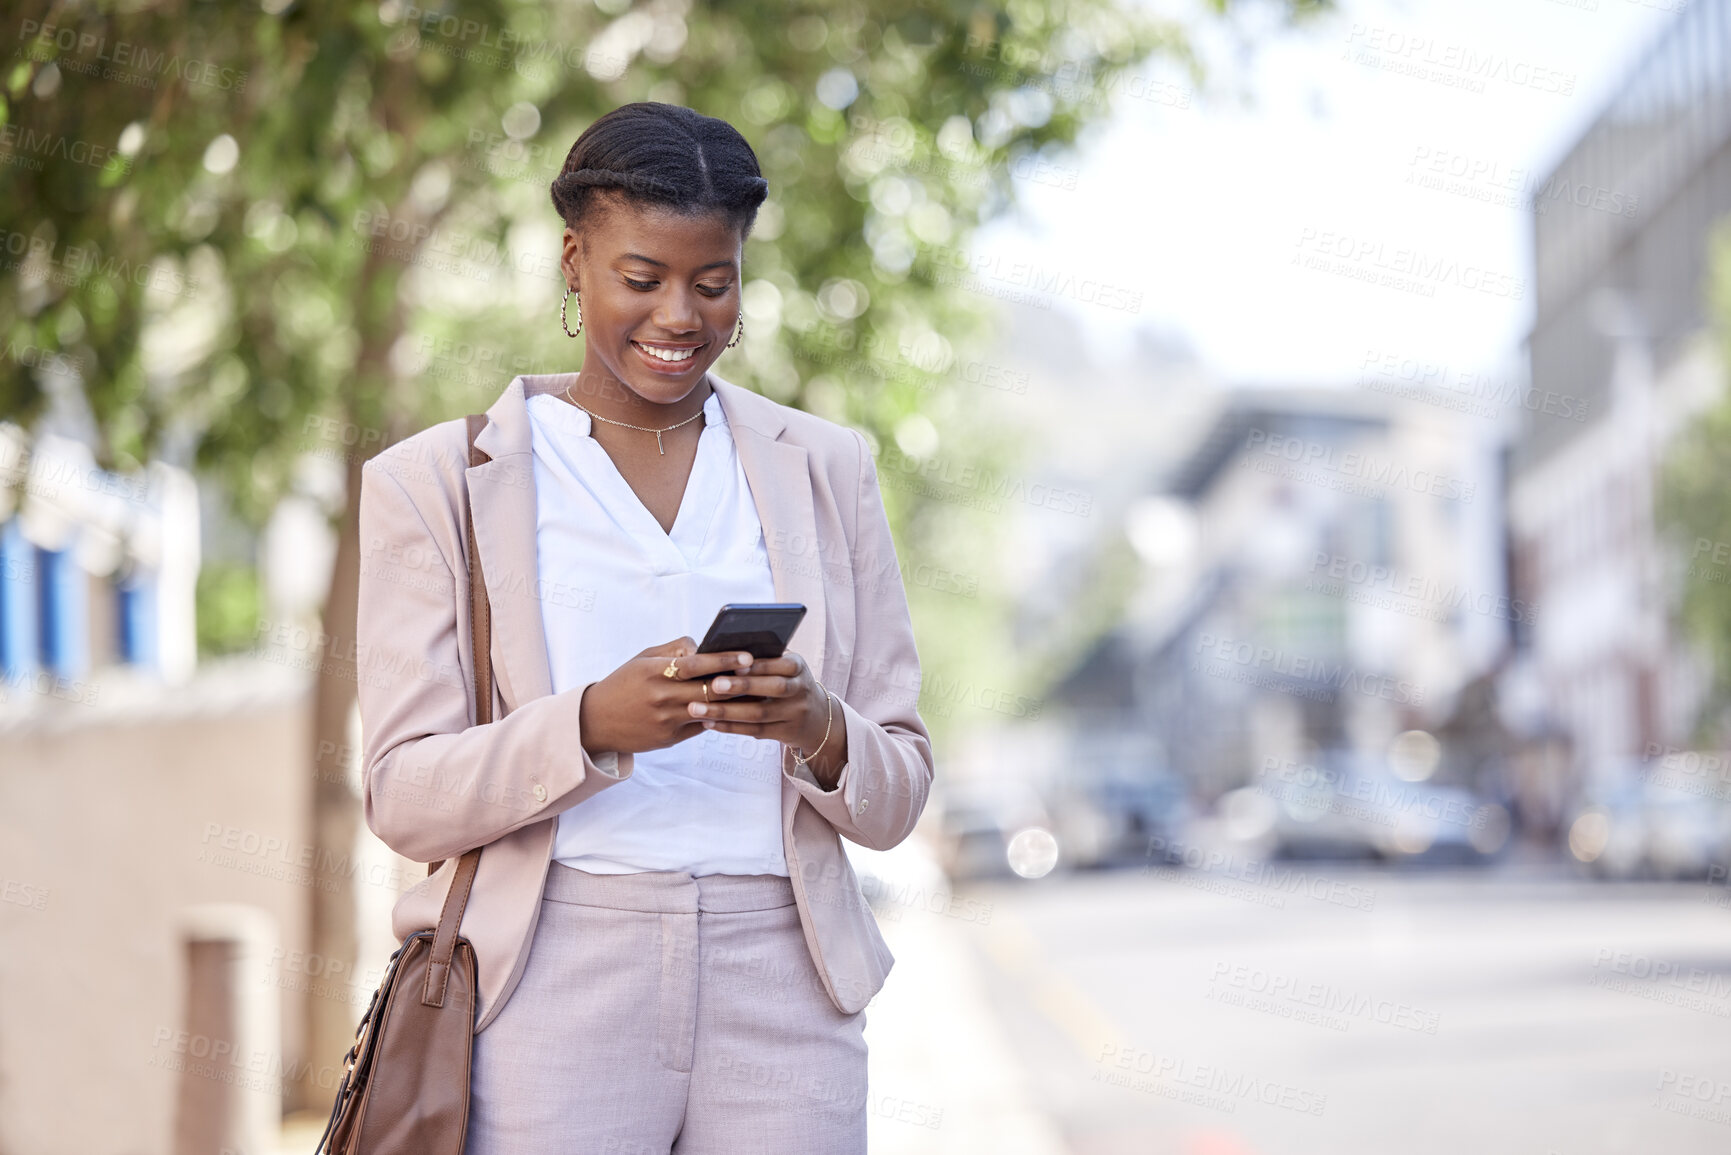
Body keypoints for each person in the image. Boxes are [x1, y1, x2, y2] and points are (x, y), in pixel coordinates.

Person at [355, 101, 935, 1154]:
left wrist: (818, 725)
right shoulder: (436, 483)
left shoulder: (828, 469)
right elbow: (403, 796)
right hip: (553, 973)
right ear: (574, 263)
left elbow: (898, 786)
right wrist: (590, 725)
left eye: (713, 285)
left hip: (786, 980)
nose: (681, 317)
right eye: (642, 279)